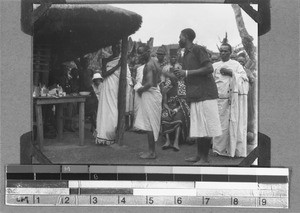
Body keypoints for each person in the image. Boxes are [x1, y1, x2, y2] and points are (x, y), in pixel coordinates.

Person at [174, 28, 222, 164]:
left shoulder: (198, 49)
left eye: (180, 36)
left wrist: (187, 73)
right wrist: (180, 73)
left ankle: (205, 159)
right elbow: (187, 73)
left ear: (187, 37)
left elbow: (209, 68)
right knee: (199, 127)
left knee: (206, 127)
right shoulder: (186, 54)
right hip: (195, 94)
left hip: (206, 94)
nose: (179, 39)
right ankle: (199, 155)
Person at [212, 42, 249, 157]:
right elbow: (211, 83)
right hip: (219, 100)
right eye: (221, 51)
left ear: (230, 52)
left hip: (234, 100)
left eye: (225, 51)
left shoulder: (236, 64)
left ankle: (234, 149)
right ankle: (218, 149)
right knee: (220, 125)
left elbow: (245, 79)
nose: (223, 53)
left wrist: (231, 73)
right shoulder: (215, 66)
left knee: (234, 124)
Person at [95, 43, 131, 145]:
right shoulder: (106, 60)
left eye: (119, 48)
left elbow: (126, 77)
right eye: (115, 47)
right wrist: (118, 65)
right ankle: (103, 136)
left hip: (115, 88)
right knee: (105, 110)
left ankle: (112, 135)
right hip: (106, 87)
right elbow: (104, 74)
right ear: (112, 48)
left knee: (113, 111)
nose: (117, 49)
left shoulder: (122, 60)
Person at [134, 44, 162, 159]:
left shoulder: (149, 65)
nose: (138, 55)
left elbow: (150, 83)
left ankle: (151, 152)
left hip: (150, 94)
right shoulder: (154, 62)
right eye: (138, 53)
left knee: (150, 124)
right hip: (154, 94)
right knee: (150, 123)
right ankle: (151, 151)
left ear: (147, 52)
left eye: (141, 53)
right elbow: (159, 79)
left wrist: (140, 90)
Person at [161, 49, 190, 151]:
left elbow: (183, 102)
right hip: (168, 107)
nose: (173, 78)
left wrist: (176, 109)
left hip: (179, 108)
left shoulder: (181, 86)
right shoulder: (167, 87)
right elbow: (164, 102)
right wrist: (168, 108)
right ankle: (168, 141)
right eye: (171, 76)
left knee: (178, 117)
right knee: (165, 115)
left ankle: (176, 141)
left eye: (175, 76)